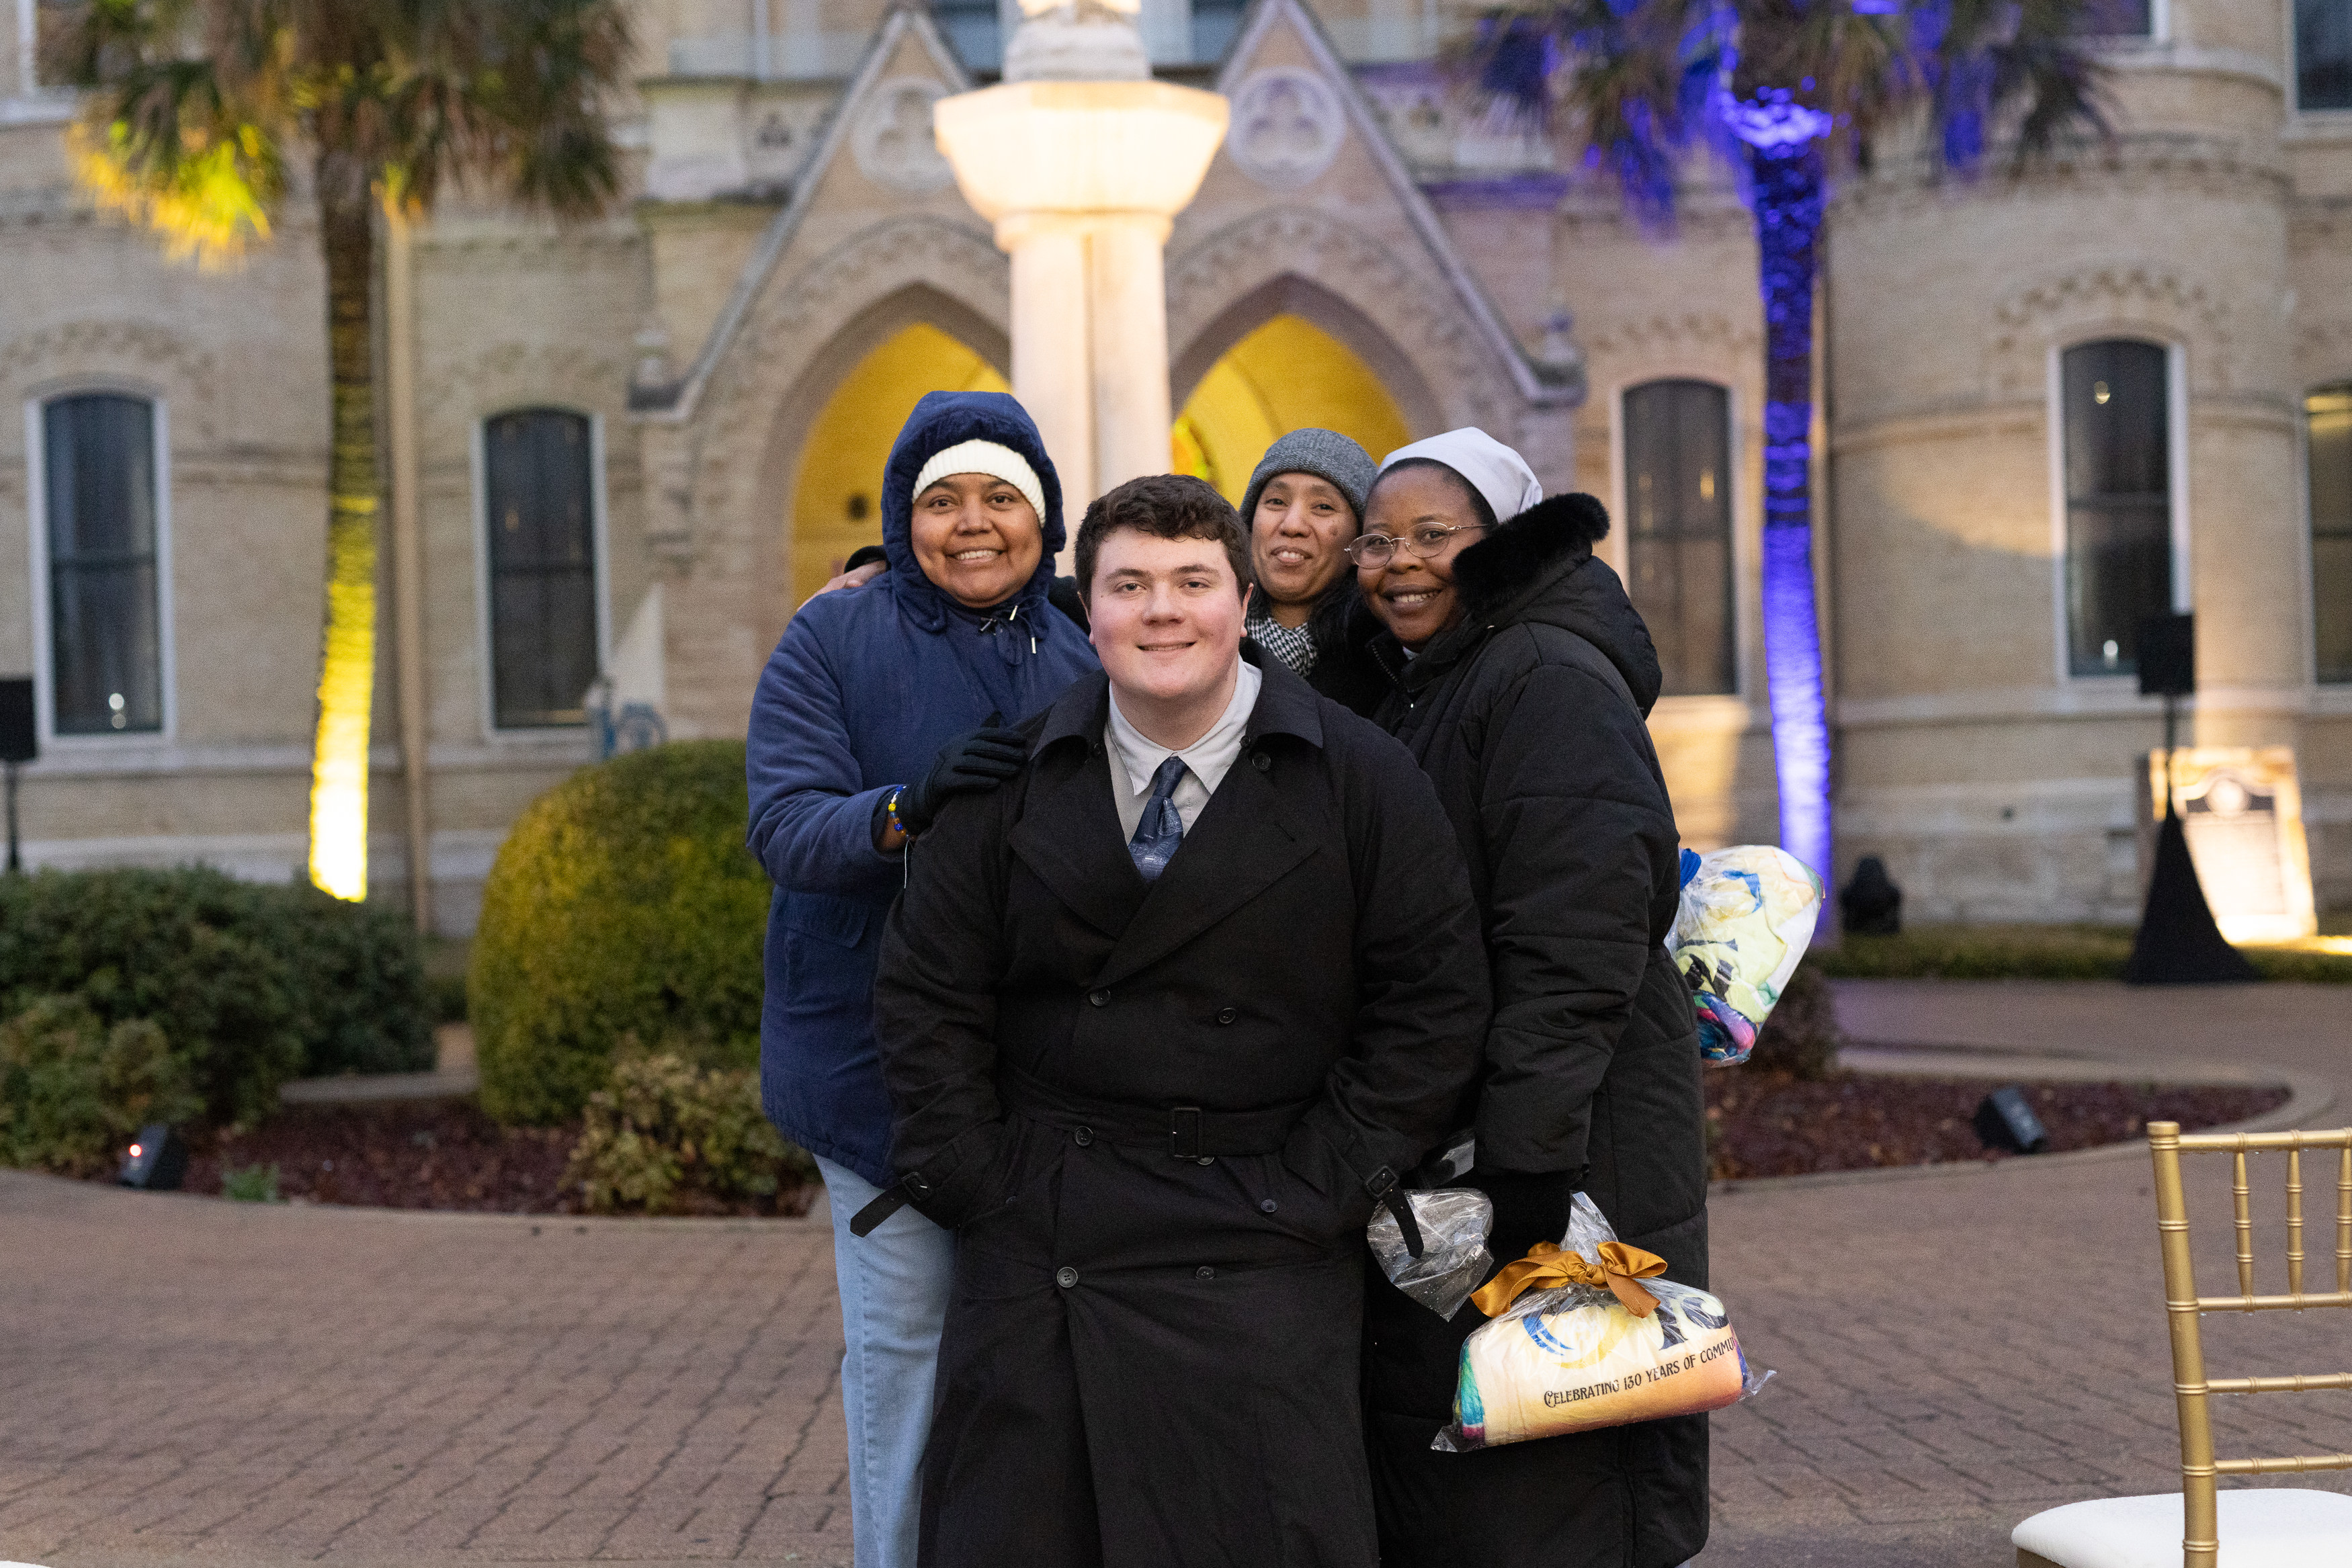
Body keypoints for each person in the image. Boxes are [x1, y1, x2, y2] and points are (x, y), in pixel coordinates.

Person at [860, 472, 1491, 1568]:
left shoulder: (1363, 779)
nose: (1163, 610)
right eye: (1131, 583)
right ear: (1086, 610)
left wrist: (1320, 1184)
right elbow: (926, 996)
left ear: (1241, 603)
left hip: (1264, 1230)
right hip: (1047, 1229)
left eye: (1194, 580)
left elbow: (1431, 1004)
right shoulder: (1007, 779)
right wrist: (982, 1176)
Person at [744, 390, 1099, 1568]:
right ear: (905, 516)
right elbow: (786, 826)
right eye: (944, 499)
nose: (974, 522)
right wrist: (904, 808)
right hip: (871, 1066)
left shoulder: (1087, 643)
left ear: (1044, 516)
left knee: (1041, 1347)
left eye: (1003, 496)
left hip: (1047, 1071)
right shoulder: (832, 635)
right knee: (908, 1346)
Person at [1349, 429, 1710, 1568]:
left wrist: (1528, 1161)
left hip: (1564, 1145)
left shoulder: (1543, 674)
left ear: (1498, 543)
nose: (1395, 560)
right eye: (1377, 538)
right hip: (1500, 1136)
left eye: (1430, 535)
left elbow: (1577, 931)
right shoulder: (1451, 672)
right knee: (1495, 1444)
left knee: (1562, 1447)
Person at [1234, 428, 1386, 710]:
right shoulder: (1205, 640)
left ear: (1360, 543)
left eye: (1323, 507)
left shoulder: (1385, 660)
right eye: (1276, 502)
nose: (1292, 525)